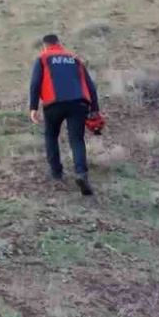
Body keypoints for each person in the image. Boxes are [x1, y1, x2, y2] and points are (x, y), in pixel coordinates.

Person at [28, 34, 101, 196]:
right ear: (59, 43)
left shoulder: (43, 58)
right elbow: (90, 85)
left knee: (51, 136)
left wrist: (33, 107)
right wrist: (94, 108)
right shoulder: (74, 59)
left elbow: (35, 83)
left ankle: (56, 173)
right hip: (79, 103)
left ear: (45, 46)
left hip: (53, 103)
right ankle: (81, 173)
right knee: (76, 139)